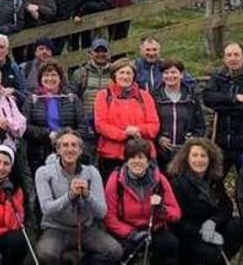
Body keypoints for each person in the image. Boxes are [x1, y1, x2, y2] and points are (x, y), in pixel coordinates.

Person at [35, 129, 123, 265]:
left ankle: (82, 261)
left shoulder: (92, 172)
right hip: (56, 228)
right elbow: (46, 209)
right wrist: (69, 196)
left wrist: (87, 195)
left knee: (114, 251)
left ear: (80, 150)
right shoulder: (44, 172)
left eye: (74, 145)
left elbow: (102, 212)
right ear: (57, 150)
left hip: (86, 229)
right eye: (65, 145)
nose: (69, 149)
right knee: (45, 253)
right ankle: (68, 259)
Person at [104, 138, 181, 265]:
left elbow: (176, 213)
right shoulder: (115, 180)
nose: (137, 162)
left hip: (154, 229)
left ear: (148, 161)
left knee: (170, 244)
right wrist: (131, 234)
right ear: (127, 160)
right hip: (127, 230)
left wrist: (161, 209)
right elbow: (109, 216)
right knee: (122, 251)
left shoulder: (160, 180)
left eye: (141, 158)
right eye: (132, 158)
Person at [171, 138, 243, 265]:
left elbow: (226, 207)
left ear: (210, 159)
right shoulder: (177, 183)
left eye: (203, 156)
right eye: (194, 155)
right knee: (211, 255)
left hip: (213, 227)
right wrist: (201, 231)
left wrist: (213, 222)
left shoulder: (214, 179)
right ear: (186, 158)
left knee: (237, 225)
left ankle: (221, 259)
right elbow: (177, 222)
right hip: (191, 235)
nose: (199, 160)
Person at [94, 58, 160, 180]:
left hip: (142, 154)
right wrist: (123, 134)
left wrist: (137, 130)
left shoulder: (144, 96)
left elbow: (154, 125)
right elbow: (101, 124)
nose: (125, 76)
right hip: (112, 155)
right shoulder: (104, 95)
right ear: (115, 75)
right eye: (121, 73)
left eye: (129, 73)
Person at [23, 61, 87, 176]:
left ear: (60, 78)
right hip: (39, 152)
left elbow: (83, 127)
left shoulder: (72, 98)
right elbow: (25, 127)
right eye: (46, 75)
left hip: (69, 150)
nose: (50, 78)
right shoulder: (32, 99)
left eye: (53, 75)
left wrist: (65, 137)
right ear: (40, 79)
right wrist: (47, 134)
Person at [202, 42, 243, 176]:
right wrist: (235, 98)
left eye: (236, 54)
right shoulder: (218, 77)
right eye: (229, 55)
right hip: (221, 143)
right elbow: (208, 97)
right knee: (214, 181)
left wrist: (222, 105)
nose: (233, 58)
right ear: (225, 59)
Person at [153, 59, 206, 169]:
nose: (170, 76)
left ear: (181, 75)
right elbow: (151, 123)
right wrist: (159, 138)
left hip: (186, 151)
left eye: (173, 72)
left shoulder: (191, 97)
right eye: (166, 73)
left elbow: (201, 125)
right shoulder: (154, 97)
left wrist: (194, 139)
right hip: (161, 153)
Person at [70, 38, 113, 120]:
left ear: (109, 54)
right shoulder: (80, 73)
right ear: (91, 53)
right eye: (97, 51)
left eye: (104, 51)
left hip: (109, 117)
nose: (101, 54)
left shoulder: (115, 73)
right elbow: (72, 98)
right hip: (86, 117)